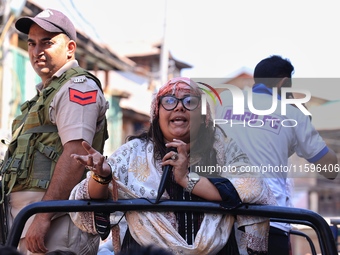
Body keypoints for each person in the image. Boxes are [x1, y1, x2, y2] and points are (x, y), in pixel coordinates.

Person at [69, 77, 277, 255]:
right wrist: (102, 177)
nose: (179, 106)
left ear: (204, 117)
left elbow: (252, 188)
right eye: (169, 100)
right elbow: (89, 202)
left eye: (189, 101)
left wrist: (188, 180)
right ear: (157, 113)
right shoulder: (133, 153)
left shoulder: (223, 149)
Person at [0, 8, 109, 254]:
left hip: (56, 223)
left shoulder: (77, 87)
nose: (37, 51)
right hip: (28, 221)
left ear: (70, 48)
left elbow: (75, 154)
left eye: (47, 43)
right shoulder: (46, 93)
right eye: (32, 43)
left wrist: (43, 216)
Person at [215, 55, 338, 255]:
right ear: (283, 82)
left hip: (225, 219)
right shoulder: (293, 115)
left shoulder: (225, 102)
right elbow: (329, 168)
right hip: (271, 220)